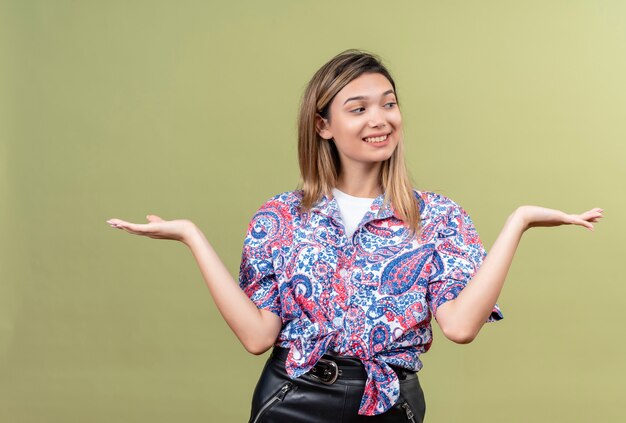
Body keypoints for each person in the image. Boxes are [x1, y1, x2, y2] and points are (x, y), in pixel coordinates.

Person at [106, 50, 603, 422]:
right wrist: (193, 236)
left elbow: (460, 327)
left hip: (388, 403)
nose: (379, 119)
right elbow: (258, 336)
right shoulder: (280, 216)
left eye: (388, 104)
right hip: (292, 398)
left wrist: (517, 223)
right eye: (358, 108)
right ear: (323, 125)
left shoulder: (438, 216)